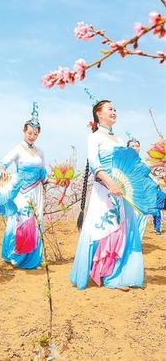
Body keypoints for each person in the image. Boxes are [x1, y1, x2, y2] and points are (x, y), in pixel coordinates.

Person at [71, 97, 144, 290]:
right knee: (105, 229)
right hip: (105, 190)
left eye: (115, 109)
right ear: (99, 114)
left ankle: (117, 275)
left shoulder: (119, 139)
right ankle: (103, 272)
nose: (114, 112)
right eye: (110, 109)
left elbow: (125, 165)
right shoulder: (94, 137)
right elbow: (95, 164)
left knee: (122, 231)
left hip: (122, 193)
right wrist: (110, 183)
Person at [0, 103, 47, 269]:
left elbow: (43, 175)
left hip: (36, 191)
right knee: (21, 221)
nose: (32, 136)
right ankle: (15, 256)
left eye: (35, 134)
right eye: (29, 133)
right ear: (24, 132)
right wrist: (2, 171)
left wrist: (60, 181)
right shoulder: (18, 149)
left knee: (35, 222)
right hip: (22, 191)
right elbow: (2, 165)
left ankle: (32, 260)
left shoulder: (40, 152)